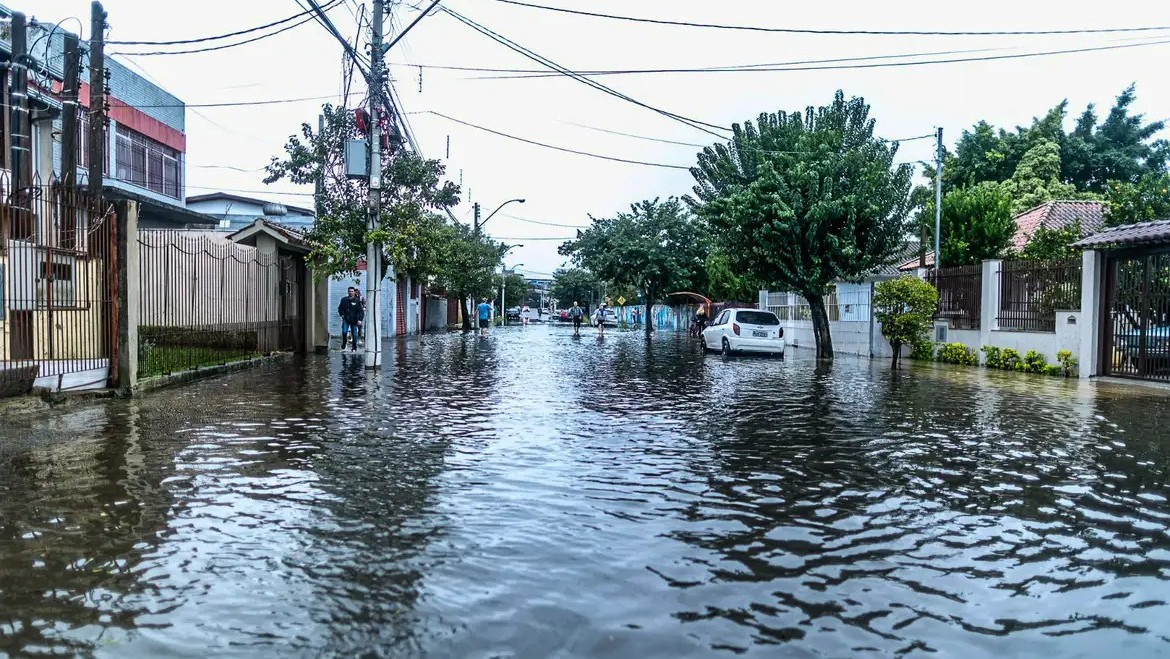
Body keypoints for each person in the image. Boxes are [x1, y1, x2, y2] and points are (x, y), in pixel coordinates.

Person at [338, 287, 364, 352]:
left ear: (354, 292)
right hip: (346, 319)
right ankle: (344, 343)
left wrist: (360, 319)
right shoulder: (344, 300)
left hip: (354, 320)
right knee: (344, 332)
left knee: (355, 334)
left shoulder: (357, 300)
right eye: (349, 291)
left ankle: (354, 348)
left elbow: (361, 311)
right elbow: (340, 308)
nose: (351, 292)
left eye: (352, 291)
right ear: (348, 292)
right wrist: (341, 314)